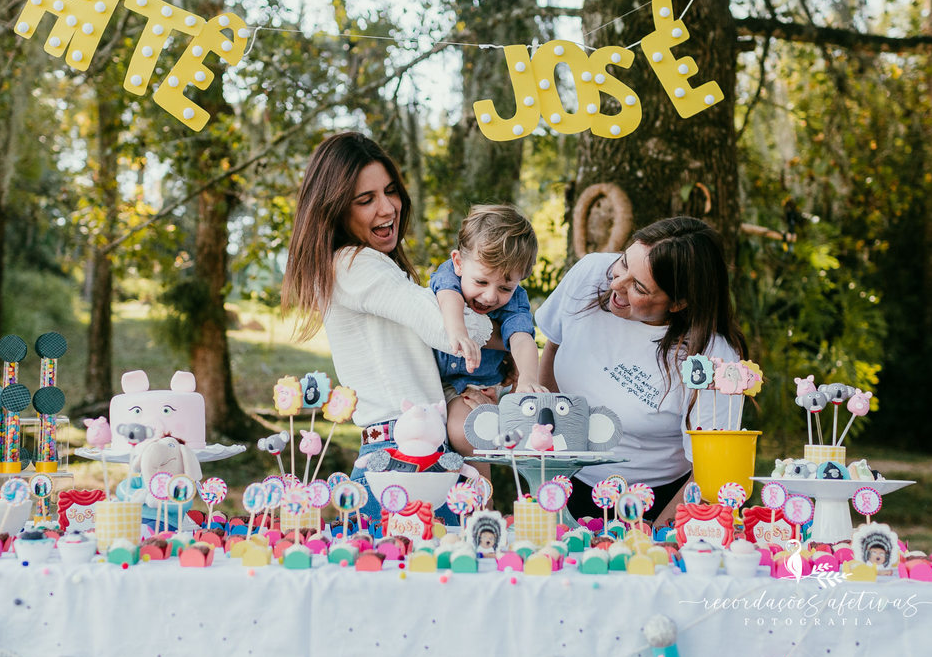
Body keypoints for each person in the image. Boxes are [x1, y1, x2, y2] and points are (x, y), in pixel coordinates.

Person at [281, 132, 494, 519]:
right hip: (402, 460)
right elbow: (452, 331)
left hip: (418, 450)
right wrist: (492, 313)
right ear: (335, 210)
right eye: (366, 200)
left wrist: (462, 397)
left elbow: (413, 367)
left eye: (391, 191)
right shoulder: (355, 264)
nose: (387, 208)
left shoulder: (368, 268)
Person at [535, 216, 748, 529]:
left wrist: (656, 536)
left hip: (655, 503)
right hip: (563, 481)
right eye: (623, 264)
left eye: (638, 287)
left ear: (678, 303)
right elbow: (552, 346)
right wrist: (546, 457)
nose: (615, 285)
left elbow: (709, 473)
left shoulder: (715, 360)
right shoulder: (591, 272)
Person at [431, 204, 548, 463]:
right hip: (437, 382)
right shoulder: (449, 275)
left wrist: (528, 377)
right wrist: (458, 330)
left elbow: (521, 337)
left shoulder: (515, 300)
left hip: (481, 385)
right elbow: (448, 296)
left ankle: (483, 496)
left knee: (468, 432)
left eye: (505, 287)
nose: (491, 296)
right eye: (481, 282)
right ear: (459, 263)